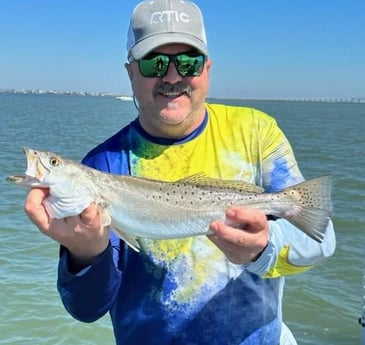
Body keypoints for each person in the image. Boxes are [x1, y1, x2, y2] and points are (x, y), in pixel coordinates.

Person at [24, 0, 336, 344]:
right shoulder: (103, 164)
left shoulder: (256, 132)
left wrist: (262, 251)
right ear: (130, 72)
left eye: (188, 61)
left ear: (207, 68)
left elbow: (320, 239)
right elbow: (86, 310)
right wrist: (86, 253)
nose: (172, 76)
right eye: (155, 63)